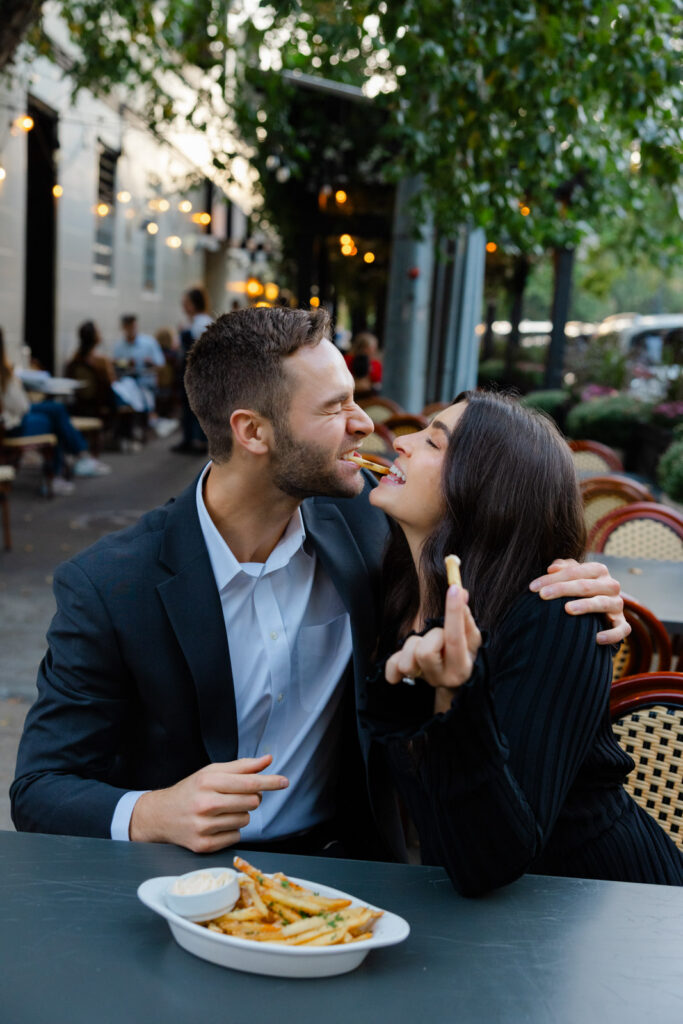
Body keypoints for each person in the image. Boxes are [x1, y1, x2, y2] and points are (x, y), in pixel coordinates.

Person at [10, 308, 628, 859]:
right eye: (335, 407)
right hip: (182, 880)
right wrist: (150, 813)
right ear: (253, 432)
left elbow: (487, 532)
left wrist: (581, 582)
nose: (367, 424)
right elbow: (41, 788)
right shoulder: (110, 583)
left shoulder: (372, 524)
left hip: (360, 871)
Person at [362, 390, 683, 894]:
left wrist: (456, 701)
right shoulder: (392, 595)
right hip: (467, 917)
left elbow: (492, 861)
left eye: (434, 443)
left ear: (485, 489)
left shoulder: (560, 614)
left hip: (603, 908)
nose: (400, 442)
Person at [0, 326, 111, 494]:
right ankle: (67, 467)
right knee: (53, 419)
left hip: (9, 418)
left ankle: (77, 459)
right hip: (11, 424)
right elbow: (21, 406)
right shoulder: (4, 373)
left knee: (56, 410)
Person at [171, 287, 212, 454]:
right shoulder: (194, 322)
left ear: (194, 304)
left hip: (197, 371)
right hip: (190, 370)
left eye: (186, 303)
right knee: (188, 406)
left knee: (196, 407)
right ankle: (189, 440)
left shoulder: (202, 322)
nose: (184, 307)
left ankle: (198, 442)